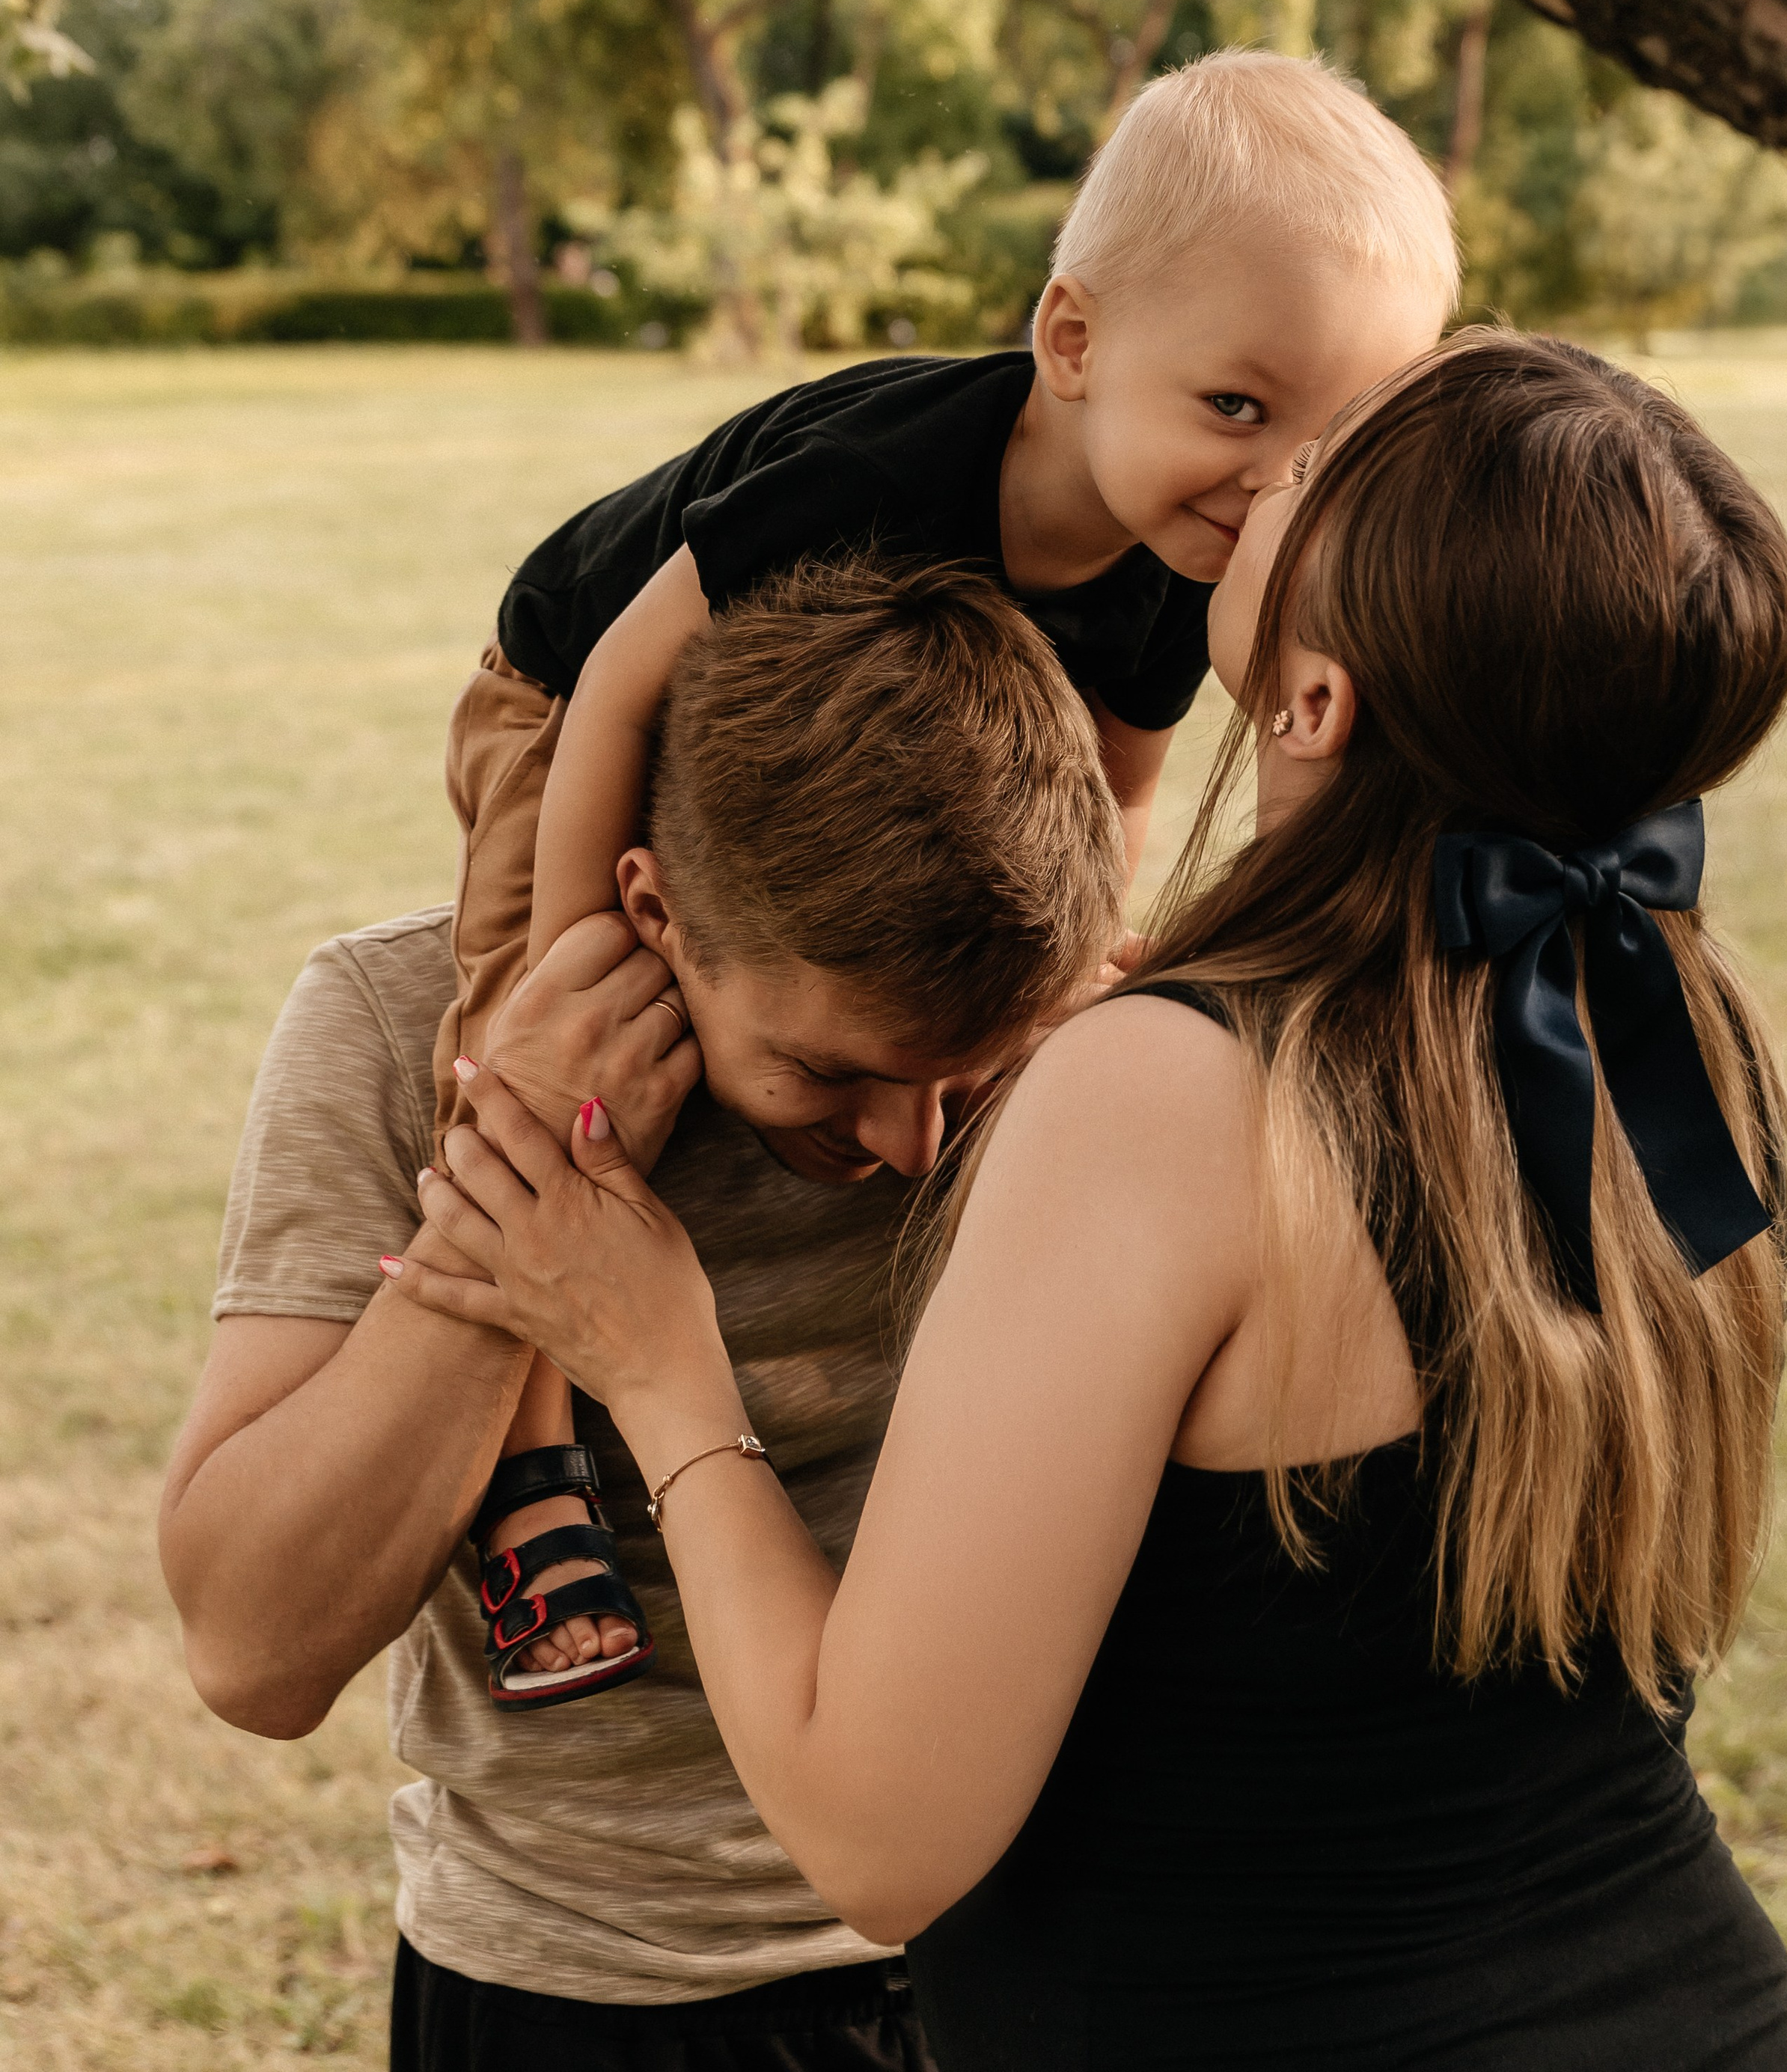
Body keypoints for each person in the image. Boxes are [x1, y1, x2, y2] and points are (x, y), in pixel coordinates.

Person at [394, 331, 1787, 2070]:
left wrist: (657, 1362)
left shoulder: (1171, 1101)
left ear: (1310, 703)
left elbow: (878, 1839)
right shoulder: (1674, 1036)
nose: (1260, 473)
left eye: (1311, 472)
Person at [434, 48, 1461, 1699]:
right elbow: (626, 683)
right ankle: (530, 1468)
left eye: (1321, 444)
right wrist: (579, 958)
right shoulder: (888, 475)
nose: (1267, 483)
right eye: (1232, 408)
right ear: (1071, 342)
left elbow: (1113, 784)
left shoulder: (1164, 570)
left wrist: (1062, 985)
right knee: (523, 1060)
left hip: (796, 773)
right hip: (563, 698)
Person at [160, 559, 1128, 2069]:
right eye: (827, 1073)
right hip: (584, 1998)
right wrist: (521, 1184)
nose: (913, 1145)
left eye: (965, 1072)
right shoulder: (392, 1029)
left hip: (1022, 1961)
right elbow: (253, 1654)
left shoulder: (1102, 1053)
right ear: (652, 910)